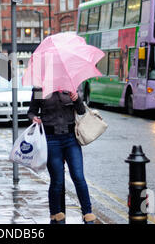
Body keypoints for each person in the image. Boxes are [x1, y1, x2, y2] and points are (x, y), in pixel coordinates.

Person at [27, 88, 96, 224]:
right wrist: (33, 118)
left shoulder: (70, 85)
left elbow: (81, 111)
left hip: (71, 139)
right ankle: (55, 214)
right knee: (57, 180)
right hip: (51, 139)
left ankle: (87, 214)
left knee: (78, 176)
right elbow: (31, 111)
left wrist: (77, 99)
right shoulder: (40, 88)